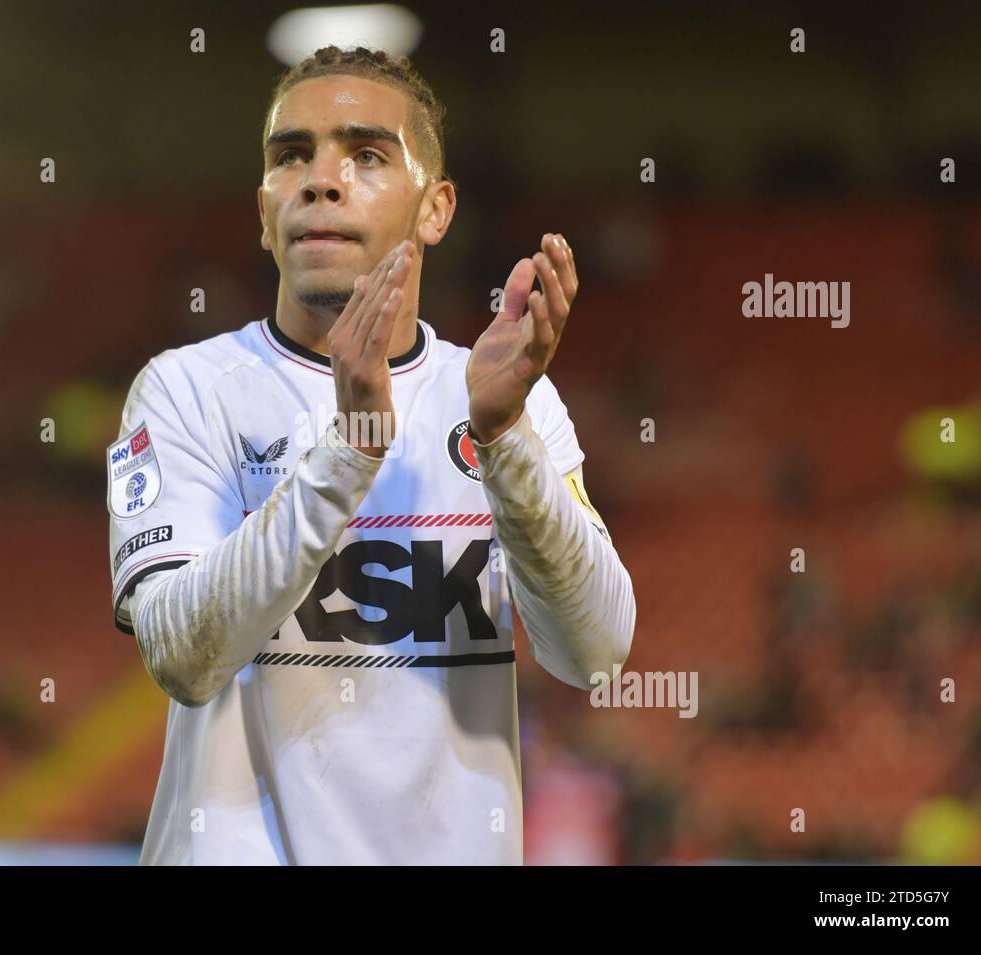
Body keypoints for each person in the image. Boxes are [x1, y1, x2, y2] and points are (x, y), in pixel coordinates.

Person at [107, 45, 636, 864]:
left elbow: (594, 653)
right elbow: (181, 655)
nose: (321, 178)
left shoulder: (499, 398)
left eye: (365, 154)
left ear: (436, 208)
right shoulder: (187, 390)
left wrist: (505, 442)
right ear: (263, 211)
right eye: (292, 156)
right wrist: (346, 455)